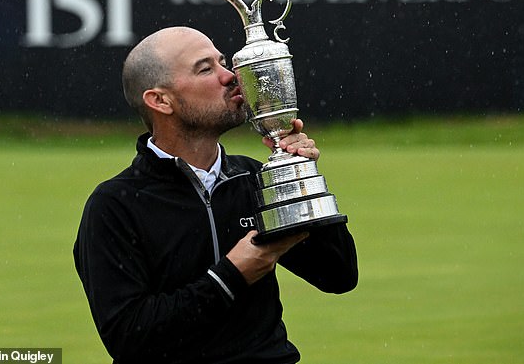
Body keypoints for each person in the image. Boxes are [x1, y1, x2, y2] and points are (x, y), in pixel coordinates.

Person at [73, 26, 358, 364]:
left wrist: (303, 179)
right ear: (160, 100)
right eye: (205, 68)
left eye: (223, 62)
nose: (230, 76)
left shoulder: (252, 178)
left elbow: (338, 275)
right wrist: (231, 276)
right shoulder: (114, 206)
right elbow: (129, 338)